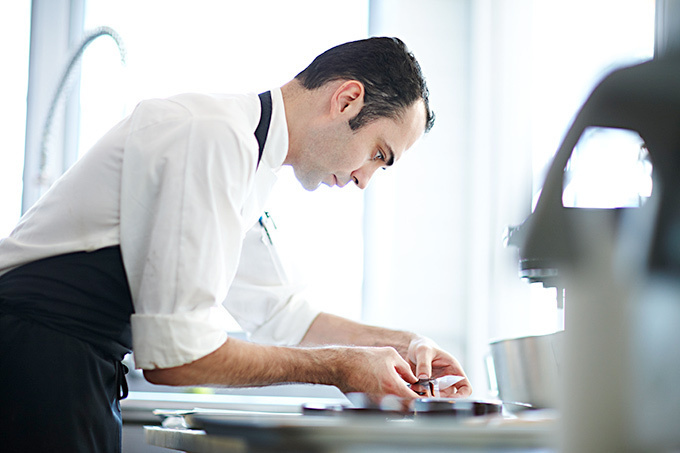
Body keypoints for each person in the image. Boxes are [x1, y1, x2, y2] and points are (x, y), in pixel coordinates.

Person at [0, 37, 471, 452]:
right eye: (378, 154)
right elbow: (176, 358)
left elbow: (283, 315)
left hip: (74, 374)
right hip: (31, 364)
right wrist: (340, 368)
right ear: (347, 100)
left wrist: (403, 344)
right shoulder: (210, 134)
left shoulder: (250, 162)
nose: (365, 179)